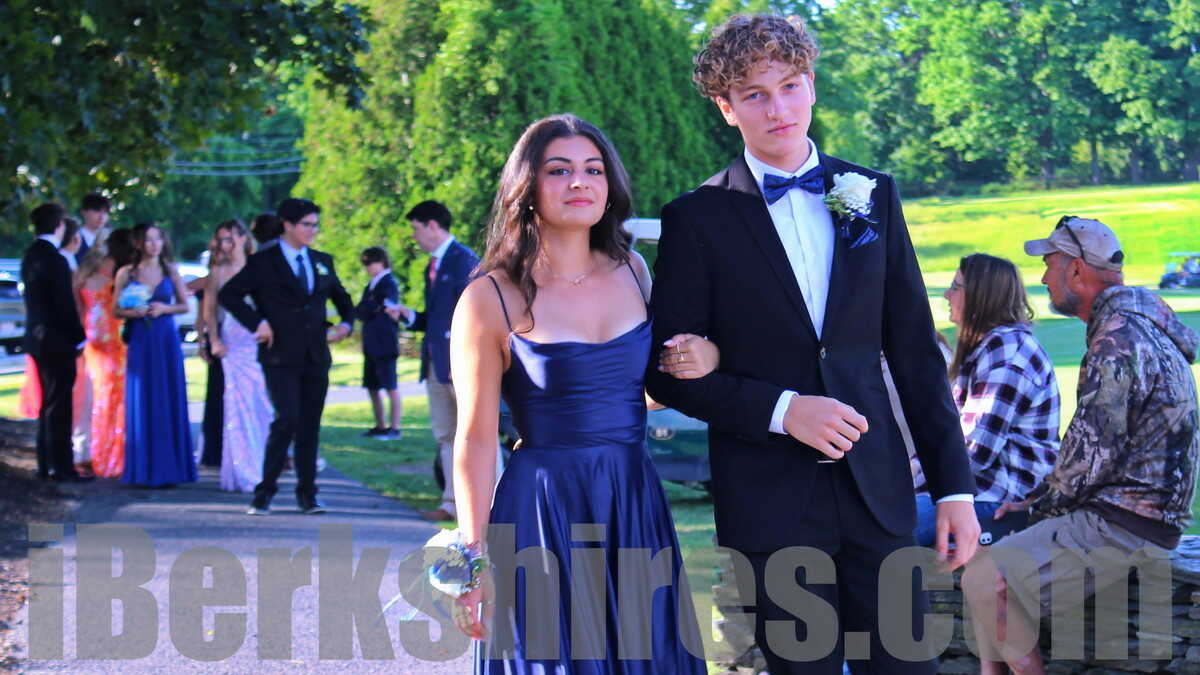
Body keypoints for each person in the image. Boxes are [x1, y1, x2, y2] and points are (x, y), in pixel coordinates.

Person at [643, 15, 980, 674]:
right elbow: (669, 372)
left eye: (790, 86)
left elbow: (916, 354)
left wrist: (955, 492)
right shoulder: (695, 217)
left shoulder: (870, 194)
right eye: (755, 94)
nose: (778, 109)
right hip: (770, 503)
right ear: (726, 107)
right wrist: (783, 410)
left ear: (813, 85)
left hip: (877, 493)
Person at [449, 113, 716, 672]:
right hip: (542, 508)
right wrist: (473, 559)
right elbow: (474, 438)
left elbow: (642, 394)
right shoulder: (489, 297)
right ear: (526, 186)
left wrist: (704, 360)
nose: (579, 182)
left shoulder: (634, 270)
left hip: (631, 499)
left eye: (593, 169)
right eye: (559, 170)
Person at [962, 217, 1199, 674]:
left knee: (983, 576)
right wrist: (1038, 501)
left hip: (1123, 523)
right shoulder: (1140, 327)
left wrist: (1037, 509)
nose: (1043, 278)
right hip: (1139, 516)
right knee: (990, 574)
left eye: (1049, 265)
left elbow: (1089, 457)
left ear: (1076, 270)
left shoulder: (1117, 342)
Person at [219, 198, 355, 515]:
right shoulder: (263, 262)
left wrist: (345, 325)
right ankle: (264, 493)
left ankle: (308, 495)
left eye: (316, 224)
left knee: (310, 425)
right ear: (288, 225)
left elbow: (343, 300)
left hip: (315, 355)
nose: (313, 230)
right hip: (280, 356)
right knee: (287, 420)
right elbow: (229, 295)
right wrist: (258, 323)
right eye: (307, 224)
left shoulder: (321, 260)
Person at [912, 254, 1060, 547]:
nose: (947, 295)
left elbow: (973, 452)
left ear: (982, 296)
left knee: (882, 530)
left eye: (956, 287)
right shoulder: (992, 347)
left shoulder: (1008, 352)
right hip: (975, 494)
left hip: (999, 501)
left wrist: (904, 480)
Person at [389, 200, 480, 522]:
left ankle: (491, 507)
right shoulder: (435, 265)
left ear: (432, 225)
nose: (414, 237)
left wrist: (465, 360)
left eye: (416, 229)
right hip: (436, 365)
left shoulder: (464, 261)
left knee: (477, 436)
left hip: (461, 366)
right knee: (446, 436)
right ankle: (452, 504)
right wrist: (411, 317)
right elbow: (438, 319)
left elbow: (478, 316)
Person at [113, 222, 197, 487]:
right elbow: (115, 310)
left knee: (167, 396)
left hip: (166, 339)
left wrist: (164, 309)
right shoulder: (127, 273)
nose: (154, 244)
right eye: (148, 239)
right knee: (143, 397)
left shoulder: (170, 270)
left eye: (157, 239)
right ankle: (144, 468)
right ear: (138, 243)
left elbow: (184, 305)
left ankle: (172, 467)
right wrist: (132, 312)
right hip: (141, 339)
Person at [21, 203, 90, 482]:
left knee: (48, 401)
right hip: (58, 339)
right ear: (59, 225)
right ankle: (61, 465)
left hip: (37, 337)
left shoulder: (30, 255)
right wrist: (78, 336)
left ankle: (46, 462)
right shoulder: (56, 259)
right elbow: (64, 304)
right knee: (60, 403)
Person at [205, 219, 274, 493]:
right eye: (224, 239)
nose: (229, 244)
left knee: (262, 404)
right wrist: (213, 340)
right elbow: (210, 311)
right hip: (233, 341)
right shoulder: (218, 271)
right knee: (236, 405)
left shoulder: (261, 267)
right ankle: (241, 468)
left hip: (258, 339)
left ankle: (264, 464)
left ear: (245, 238)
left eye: (233, 237)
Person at [74, 228, 133, 478]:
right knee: (108, 396)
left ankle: (103, 453)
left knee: (103, 395)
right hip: (105, 339)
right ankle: (106, 453)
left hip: (101, 338)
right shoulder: (118, 272)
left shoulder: (87, 272)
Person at [355, 246, 402, 439]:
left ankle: (395, 427)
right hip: (371, 343)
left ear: (381, 261)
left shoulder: (388, 283)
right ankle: (380, 425)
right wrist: (368, 307)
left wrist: (370, 307)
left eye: (369, 262)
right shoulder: (371, 285)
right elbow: (362, 310)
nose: (366, 267)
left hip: (385, 343)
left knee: (390, 386)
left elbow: (377, 306)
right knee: (372, 386)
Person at [194, 232, 228, 468]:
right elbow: (202, 314)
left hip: (240, 340)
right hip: (217, 337)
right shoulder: (211, 278)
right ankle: (214, 451)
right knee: (216, 394)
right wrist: (202, 341)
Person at [76, 193, 111, 261]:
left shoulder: (109, 242)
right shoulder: (73, 238)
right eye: (97, 211)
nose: (102, 217)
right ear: (83, 212)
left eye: (105, 212)